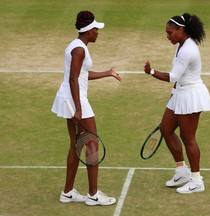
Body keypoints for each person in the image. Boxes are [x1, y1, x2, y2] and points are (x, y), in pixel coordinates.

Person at [52, 10, 121, 205]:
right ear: (88, 30)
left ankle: (67, 192)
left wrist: (107, 73)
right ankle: (93, 194)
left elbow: (81, 74)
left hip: (70, 98)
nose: (98, 32)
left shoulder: (77, 46)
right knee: (91, 144)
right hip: (75, 100)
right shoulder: (80, 49)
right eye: (96, 30)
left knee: (77, 144)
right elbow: (73, 79)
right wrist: (79, 109)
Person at [144, 13, 210, 194]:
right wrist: (174, 93)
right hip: (180, 93)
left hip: (191, 95)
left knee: (188, 138)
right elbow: (178, 78)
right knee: (166, 129)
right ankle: (182, 171)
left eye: (170, 33)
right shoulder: (181, 45)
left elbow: (173, 76)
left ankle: (197, 181)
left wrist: (151, 71)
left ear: (180, 31)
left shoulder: (187, 50)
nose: (167, 36)